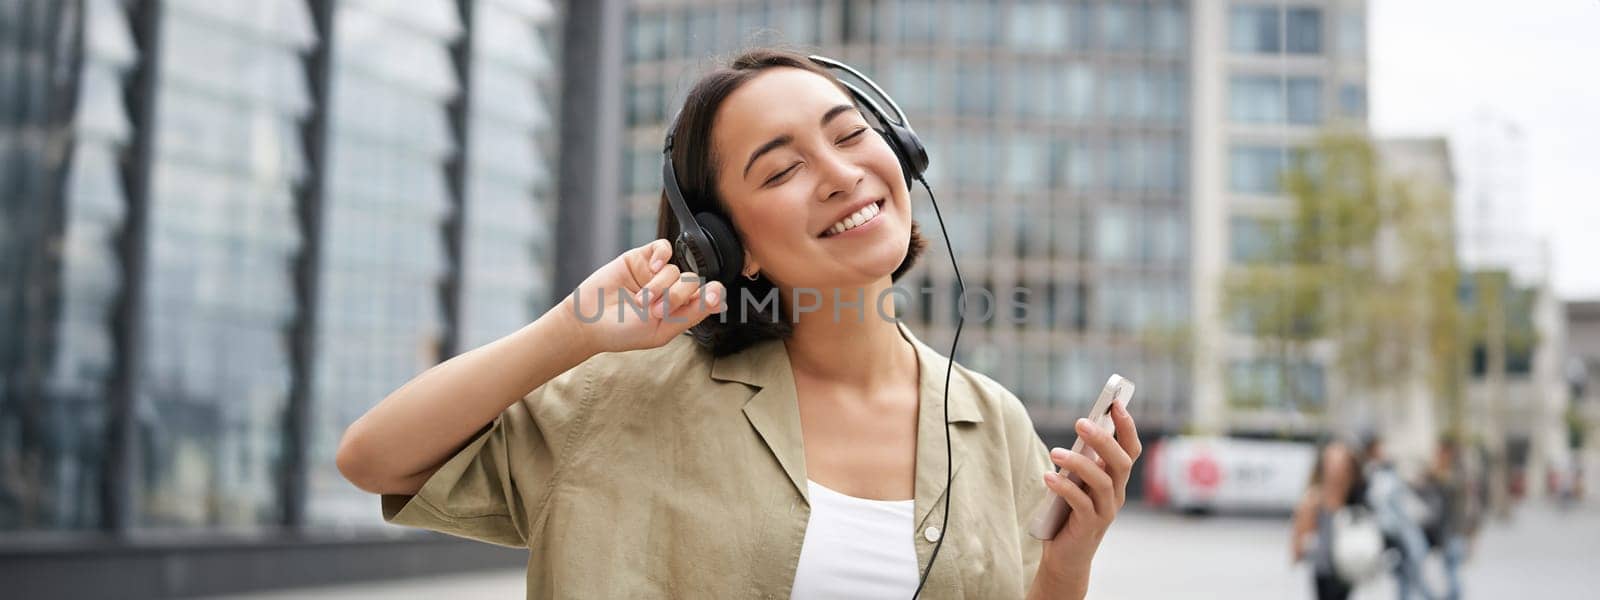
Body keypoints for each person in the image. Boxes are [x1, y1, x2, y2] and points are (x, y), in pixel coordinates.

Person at [335, 48, 1141, 599]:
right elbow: (374, 458)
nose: (839, 175)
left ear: (901, 151)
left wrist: (1065, 573)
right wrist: (573, 330)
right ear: (727, 245)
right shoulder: (620, 400)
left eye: (852, 135)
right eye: (783, 169)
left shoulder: (992, 424)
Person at [1360, 436, 1436, 600]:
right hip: (1396, 535)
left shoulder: (1384, 471)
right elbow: (1380, 501)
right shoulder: (1376, 473)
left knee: (1411, 579)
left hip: (1402, 534)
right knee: (1409, 579)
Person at [1291, 440, 1369, 600]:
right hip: (1324, 568)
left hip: (1348, 565)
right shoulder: (1314, 498)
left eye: (1341, 464)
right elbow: (1300, 537)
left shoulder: (1355, 497)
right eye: (1332, 463)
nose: (1336, 469)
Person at [1416, 438, 1469, 600]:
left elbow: (1450, 489)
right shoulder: (1444, 475)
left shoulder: (1454, 475)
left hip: (1453, 532)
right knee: (1446, 573)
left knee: (1451, 572)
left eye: (1440, 452)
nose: (1437, 456)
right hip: (1446, 533)